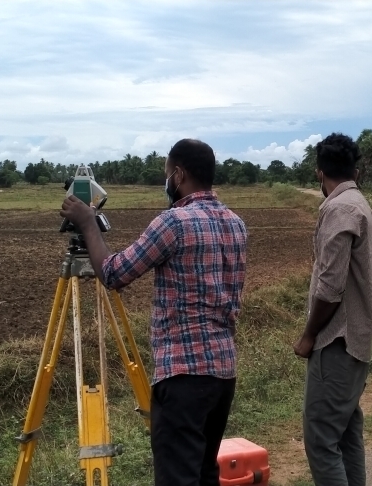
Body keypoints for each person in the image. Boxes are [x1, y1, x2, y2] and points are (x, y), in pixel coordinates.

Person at [60, 139, 248, 486]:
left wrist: (88, 223)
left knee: (178, 477)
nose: (167, 182)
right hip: (223, 373)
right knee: (205, 473)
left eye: (167, 174)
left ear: (178, 174)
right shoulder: (236, 223)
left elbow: (114, 273)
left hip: (183, 375)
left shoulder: (173, 223)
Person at [293, 132, 372, 486]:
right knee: (345, 434)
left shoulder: (339, 209)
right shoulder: (361, 205)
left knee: (320, 440)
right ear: (356, 171)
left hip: (336, 341)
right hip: (356, 339)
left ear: (319, 173)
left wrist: (309, 335)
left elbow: (330, 287)